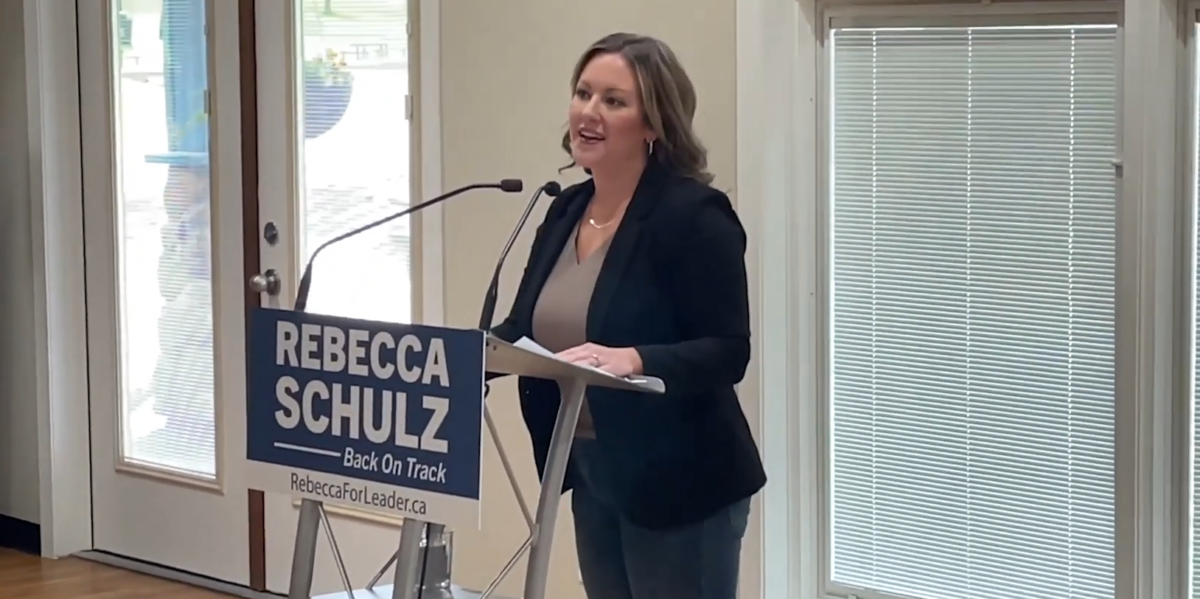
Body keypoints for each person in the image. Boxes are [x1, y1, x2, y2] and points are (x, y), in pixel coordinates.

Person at [489, 32, 766, 599]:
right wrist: (445, 362)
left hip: (682, 480)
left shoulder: (694, 216)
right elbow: (523, 330)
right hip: (593, 467)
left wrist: (633, 357)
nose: (589, 112)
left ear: (653, 123)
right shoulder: (566, 208)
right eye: (583, 93)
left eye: (614, 101)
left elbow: (728, 349)